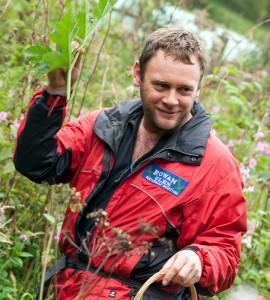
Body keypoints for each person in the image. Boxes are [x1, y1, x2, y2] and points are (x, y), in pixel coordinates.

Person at [14, 27, 247, 300]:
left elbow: (226, 252)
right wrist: (55, 93)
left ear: (198, 87)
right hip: (68, 287)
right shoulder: (103, 126)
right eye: (161, 86)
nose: (171, 100)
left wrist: (198, 259)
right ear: (138, 74)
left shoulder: (215, 165)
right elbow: (36, 164)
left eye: (184, 90)